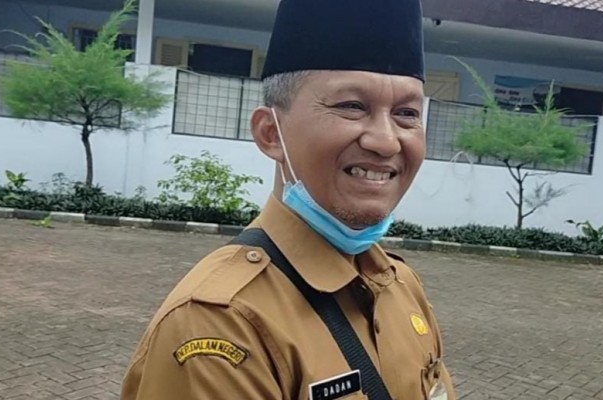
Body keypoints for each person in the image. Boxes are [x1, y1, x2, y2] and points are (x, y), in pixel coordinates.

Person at [120, 0, 457, 398]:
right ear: (271, 133)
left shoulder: (401, 284)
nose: (386, 141)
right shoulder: (222, 323)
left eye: (407, 114)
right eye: (352, 106)